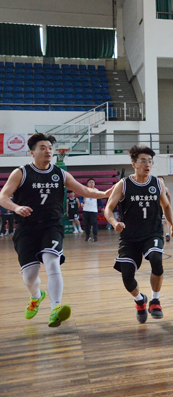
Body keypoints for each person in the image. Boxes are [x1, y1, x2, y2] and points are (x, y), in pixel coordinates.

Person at [0, 133, 113, 327]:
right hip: (26, 227)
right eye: (42, 148)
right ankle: (36, 296)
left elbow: (84, 190)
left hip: (51, 225)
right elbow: (3, 196)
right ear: (32, 152)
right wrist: (16, 208)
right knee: (30, 277)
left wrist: (104, 193)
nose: (48, 151)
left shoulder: (60, 174)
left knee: (52, 262)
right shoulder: (21, 173)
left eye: (50, 148)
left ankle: (56, 308)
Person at [105, 146, 173, 323]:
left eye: (150, 161)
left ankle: (155, 300)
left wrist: (172, 227)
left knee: (156, 259)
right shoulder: (123, 184)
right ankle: (140, 300)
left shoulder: (157, 183)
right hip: (129, 237)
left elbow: (166, 206)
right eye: (143, 161)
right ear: (134, 164)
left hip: (152, 233)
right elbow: (108, 208)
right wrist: (115, 223)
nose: (147, 164)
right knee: (127, 276)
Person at [158, 176, 173, 242]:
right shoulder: (155, 188)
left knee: (165, 221)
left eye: (161, 180)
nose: (160, 181)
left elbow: (169, 196)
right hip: (157, 207)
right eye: (159, 180)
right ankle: (159, 234)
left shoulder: (166, 189)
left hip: (163, 207)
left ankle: (167, 235)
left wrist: (169, 204)